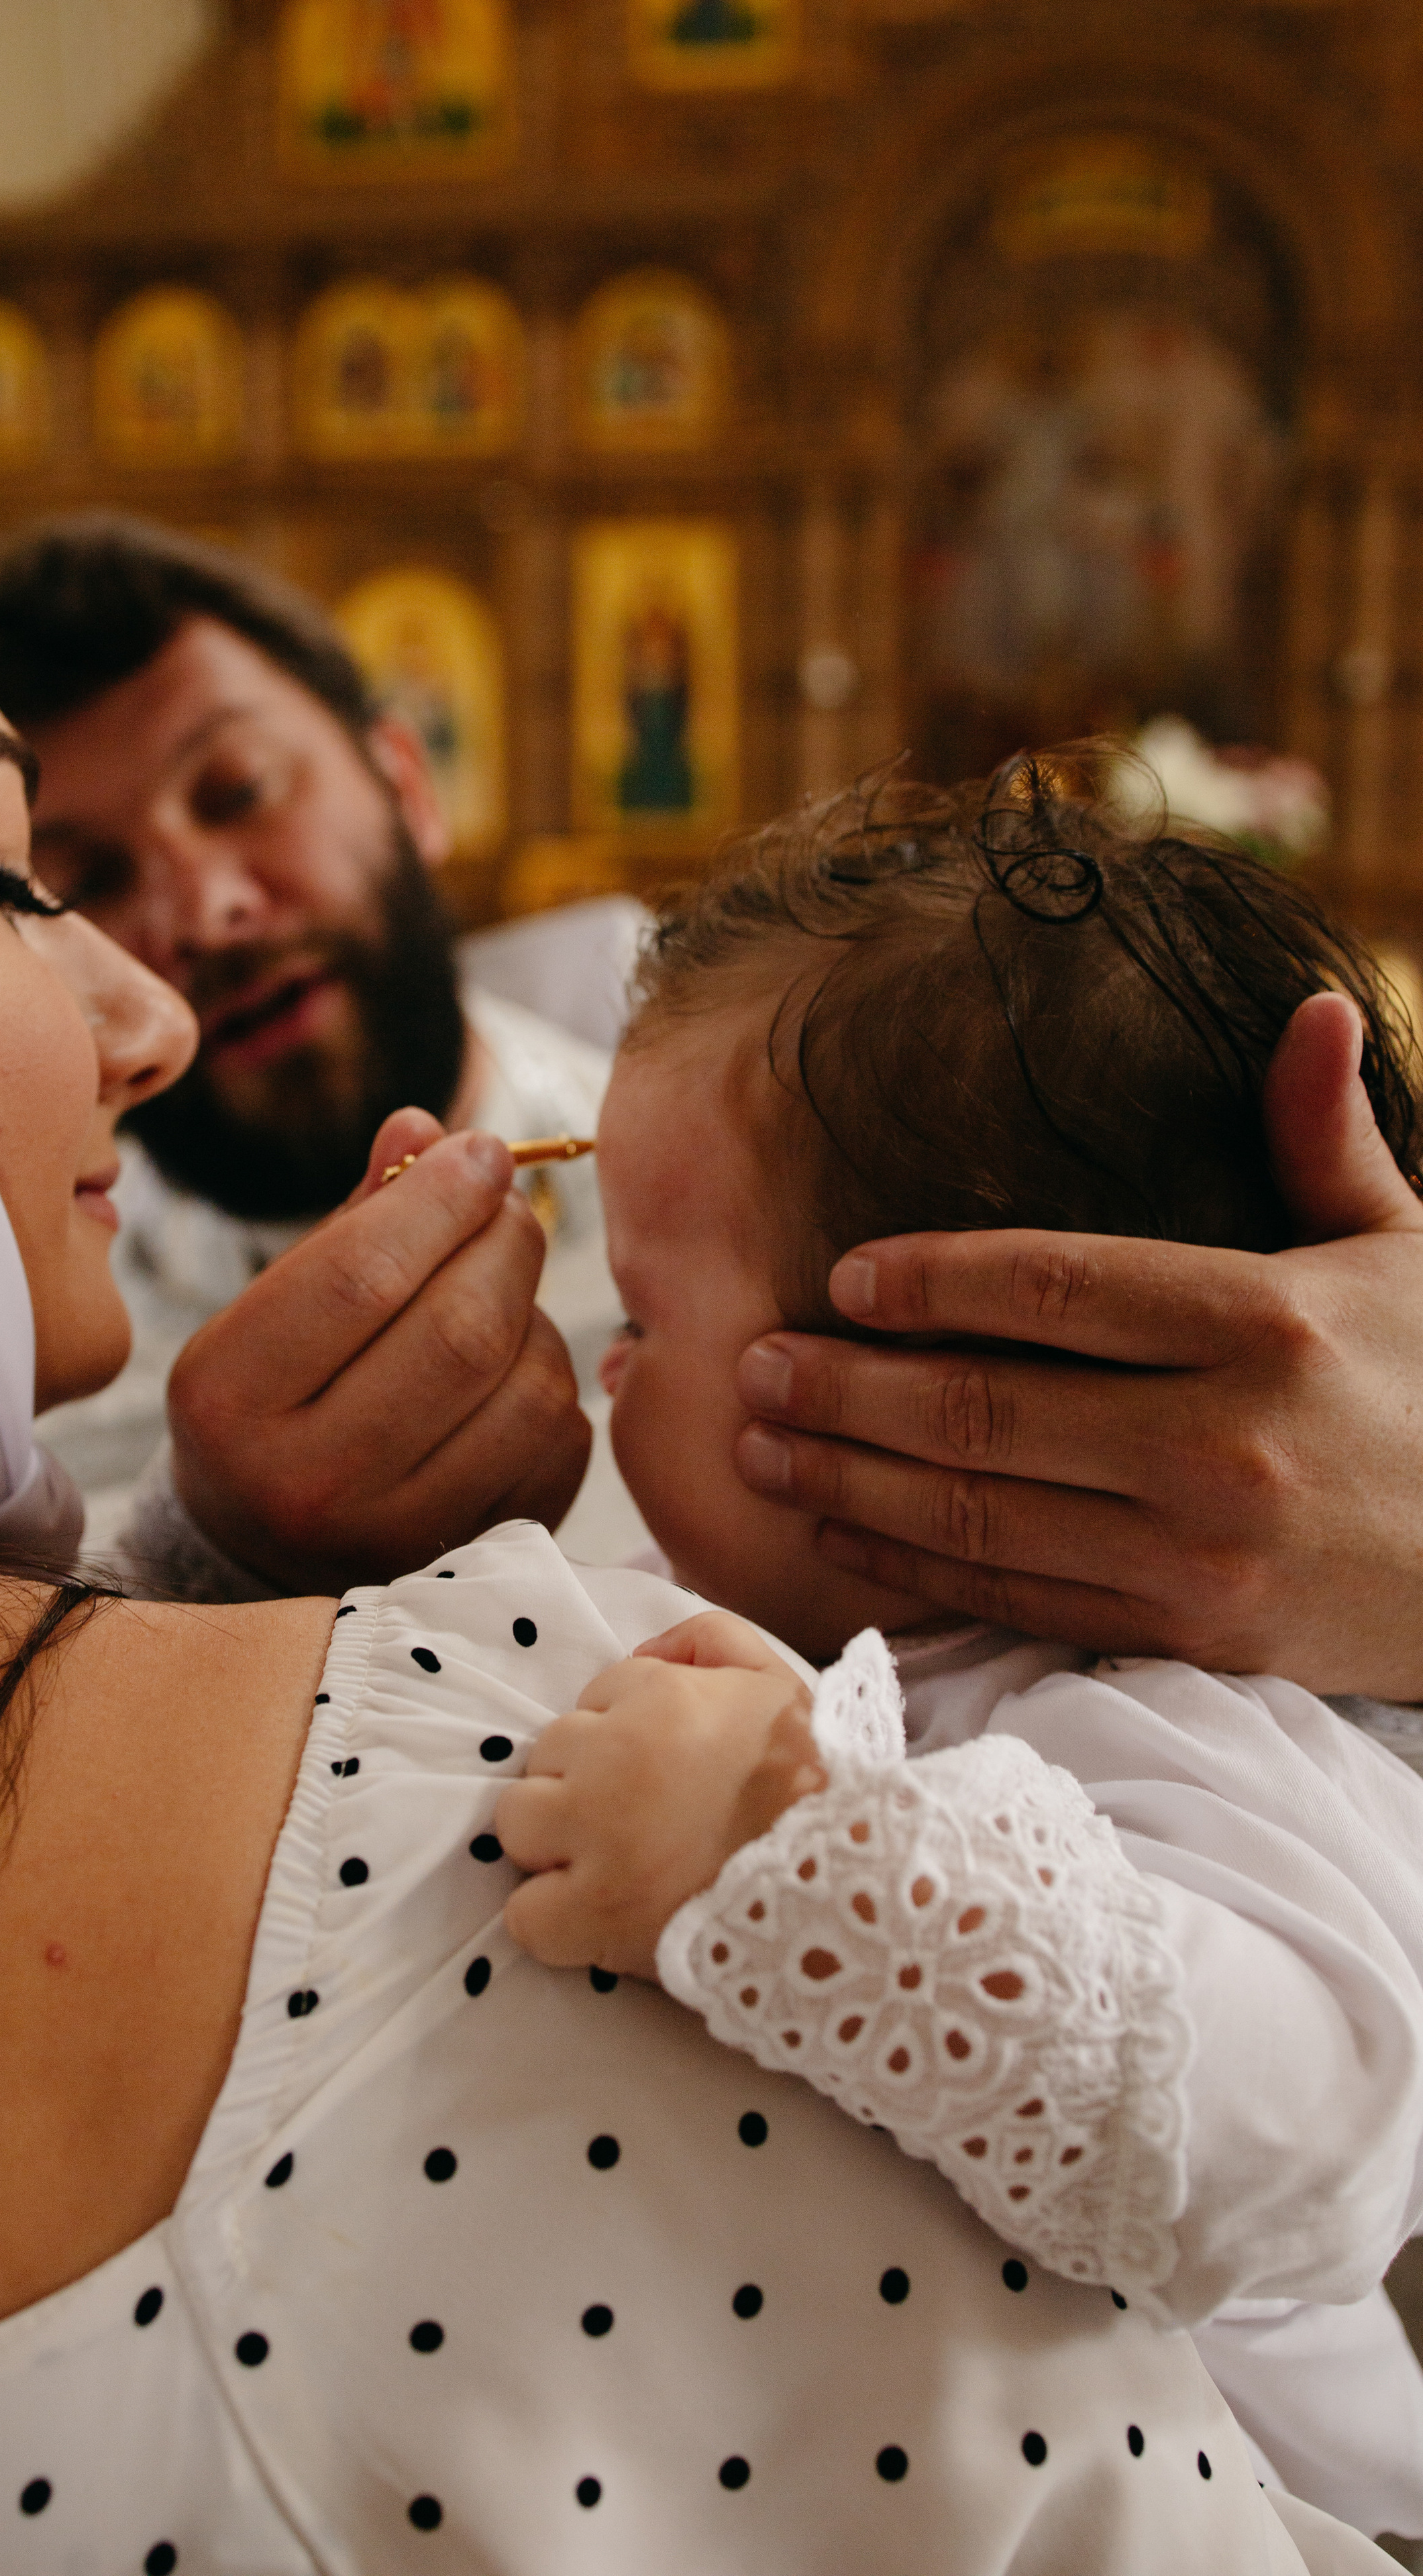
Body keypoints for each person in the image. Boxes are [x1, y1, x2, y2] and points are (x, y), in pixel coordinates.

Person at [0, 392, 1373, 2576]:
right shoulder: (176, 1458)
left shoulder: (826, 1107)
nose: (171, 964)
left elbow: (1279, 2121)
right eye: (39, 872)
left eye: (237, 793)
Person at [484, 769, 1423, 2538]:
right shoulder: (857, 1634)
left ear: (947, 1398)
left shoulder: (1210, 1728)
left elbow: (1298, 2134)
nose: (609, 1371)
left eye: (650, 1317)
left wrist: (789, 1847)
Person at [0, 519, 638, 1569]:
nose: (203, 911)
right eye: (87, 881)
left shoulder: (725, 1208)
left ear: (408, 790)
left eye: (238, 793)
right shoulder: (27, 1391)